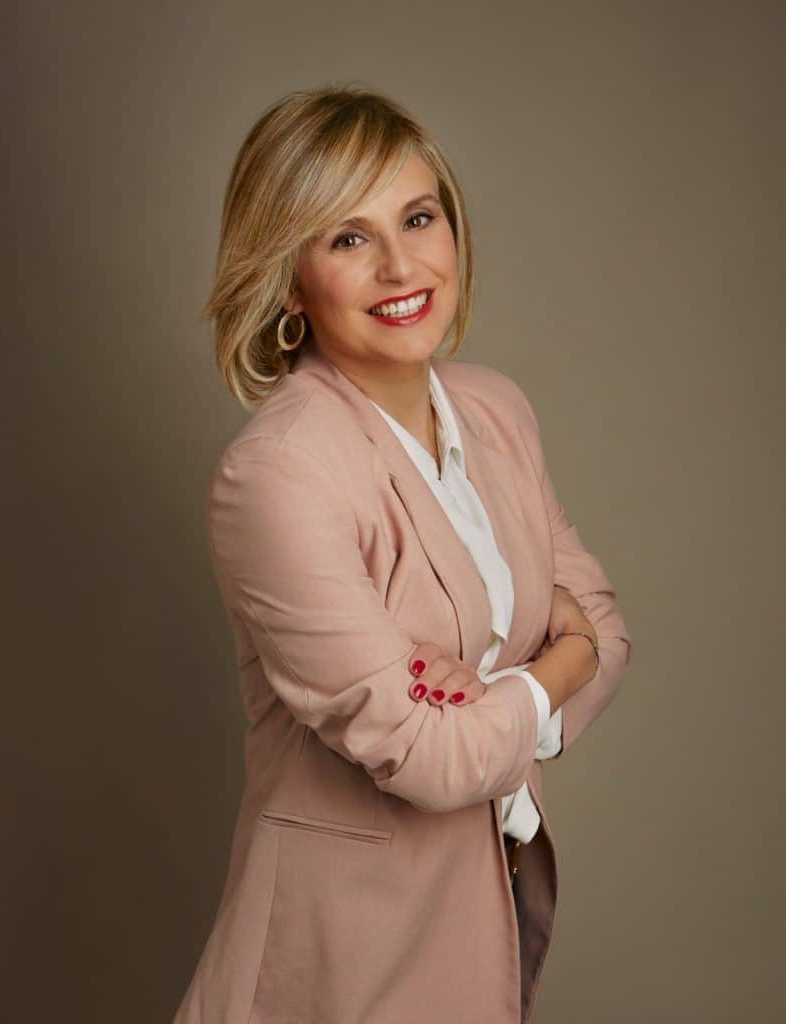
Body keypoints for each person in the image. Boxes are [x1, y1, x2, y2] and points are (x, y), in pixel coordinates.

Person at [173, 84, 633, 1024]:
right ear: (289, 279)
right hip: (338, 962)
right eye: (349, 237)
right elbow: (431, 754)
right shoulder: (278, 473)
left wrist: (498, 701)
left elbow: (609, 630)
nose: (400, 265)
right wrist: (558, 666)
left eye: (418, 218)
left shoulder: (497, 409)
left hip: (478, 926)